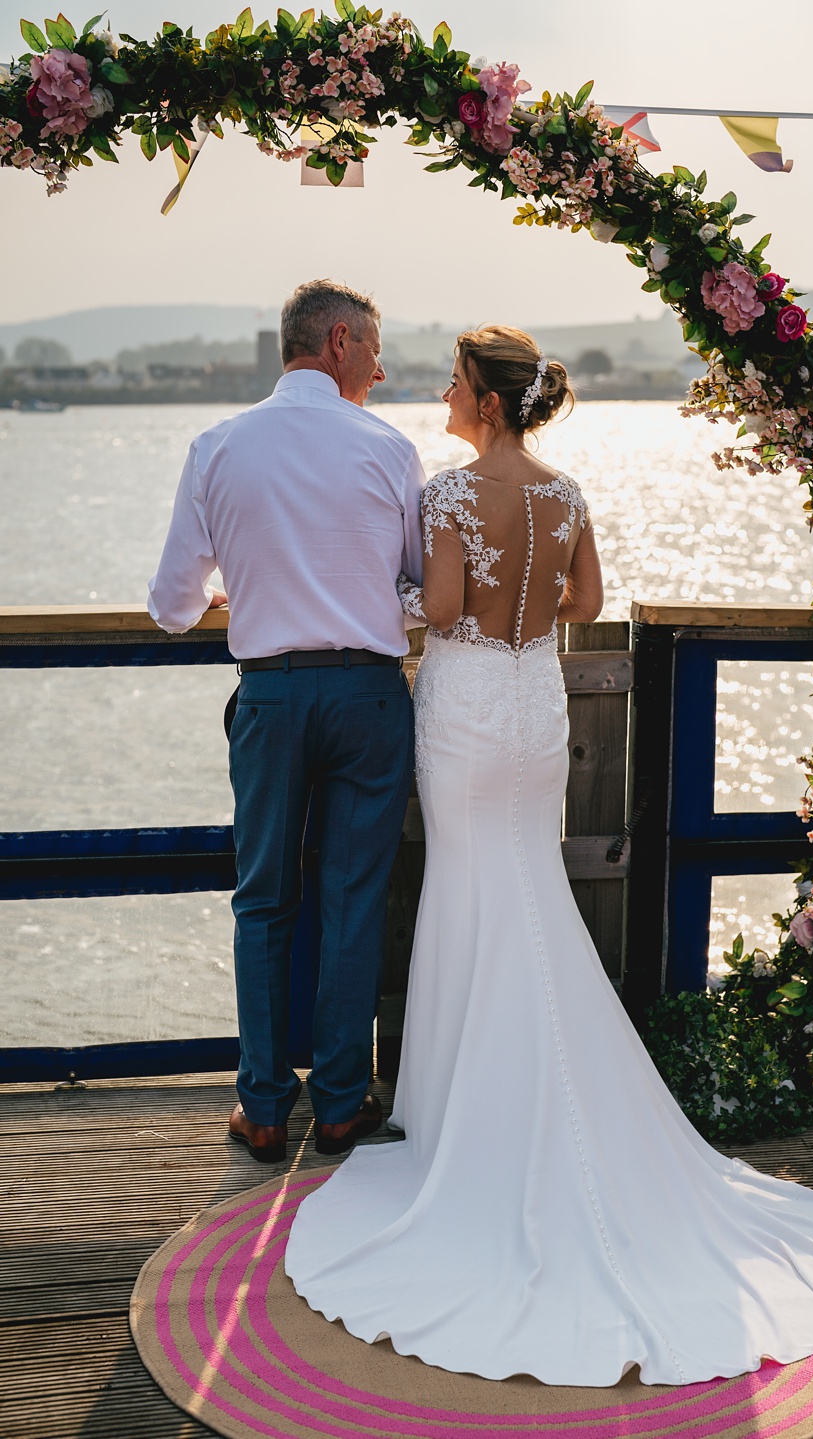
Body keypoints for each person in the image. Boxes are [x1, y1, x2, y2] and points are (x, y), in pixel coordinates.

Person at [283, 325, 813, 1387]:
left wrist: (390, 602)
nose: (445, 394)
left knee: (470, 889)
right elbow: (587, 603)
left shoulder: (450, 494)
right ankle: (532, 1095)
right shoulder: (568, 493)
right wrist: (528, 613)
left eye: (457, 382)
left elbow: (446, 608)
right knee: (528, 882)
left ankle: (467, 1110)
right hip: (535, 705)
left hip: (464, 709)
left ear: (491, 403)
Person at [149, 278, 422, 1165]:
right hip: (369, 696)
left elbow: (170, 607)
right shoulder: (387, 447)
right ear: (338, 341)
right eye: (373, 349)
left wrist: (242, 593)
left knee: (264, 900)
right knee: (350, 898)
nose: (379, 370)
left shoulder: (217, 446)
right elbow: (420, 587)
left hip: (270, 694)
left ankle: (263, 1107)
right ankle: (342, 1103)